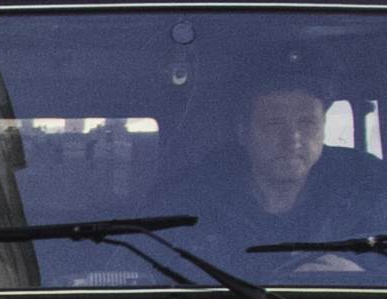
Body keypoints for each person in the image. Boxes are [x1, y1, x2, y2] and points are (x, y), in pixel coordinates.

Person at [164, 74, 387, 278]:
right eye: (273, 124)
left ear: (323, 129)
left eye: (308, 123)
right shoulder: (190, 202)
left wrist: (362, 278)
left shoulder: (370, 193)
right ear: (243, 132)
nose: (293, 139)